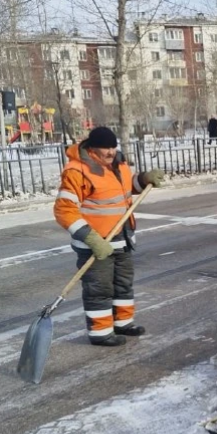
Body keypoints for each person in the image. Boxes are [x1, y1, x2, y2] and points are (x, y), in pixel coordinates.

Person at [53, 127, 165, 347]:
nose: (111, 152)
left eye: (113, 147)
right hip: (96, 244)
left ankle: (123, 323)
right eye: (106, 148)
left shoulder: (119, 164)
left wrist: (143, 179)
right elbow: (64, 210)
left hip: (122, 238)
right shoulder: (77, 171)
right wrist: (91, 239)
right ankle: (101, 332)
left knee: (123, 285)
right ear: (93, 148)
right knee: (99, 289)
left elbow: (126, 189)